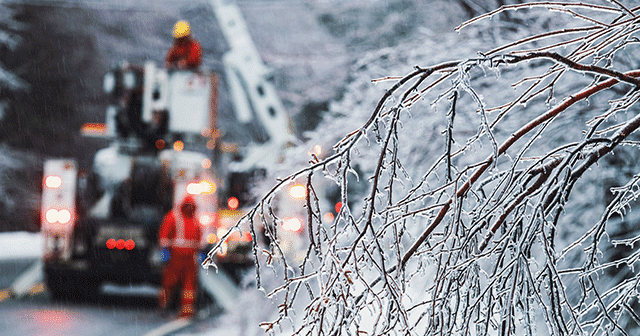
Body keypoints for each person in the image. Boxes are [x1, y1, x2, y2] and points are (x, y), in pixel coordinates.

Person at [157, 195, 202, 319]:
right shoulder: (173, 218)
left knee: (189, 287)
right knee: (169, 284)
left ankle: (186, 312)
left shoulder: (194, 220)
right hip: (175, 258)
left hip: (189, 259)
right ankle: (164, 307)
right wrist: (165, 253)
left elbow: (198, 240)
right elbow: (164, 237)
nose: (189, 209)